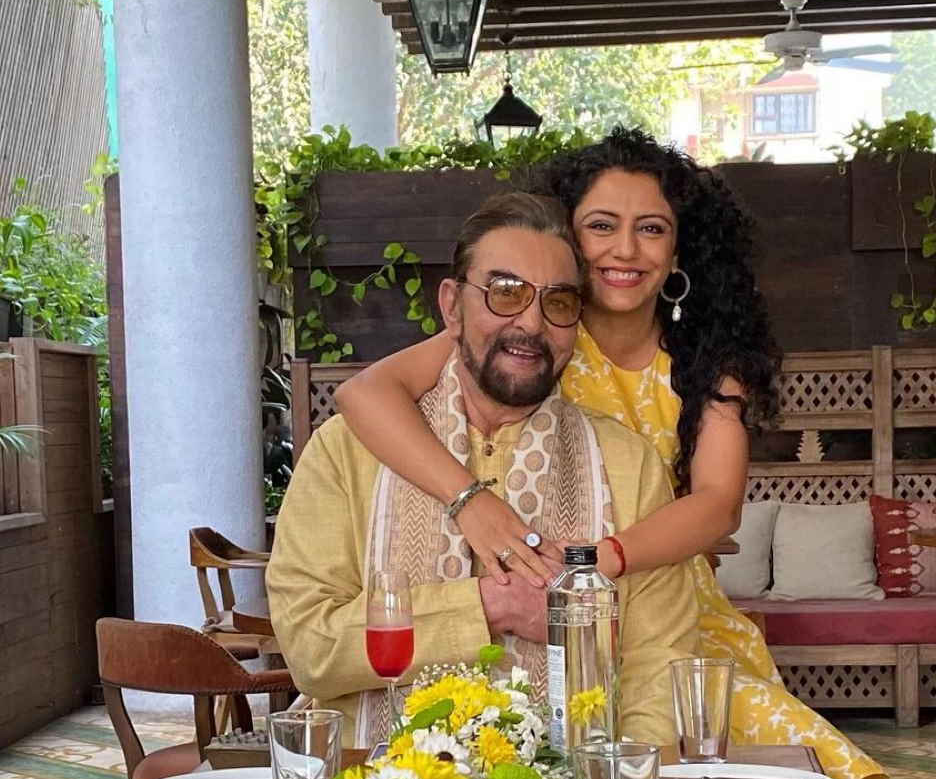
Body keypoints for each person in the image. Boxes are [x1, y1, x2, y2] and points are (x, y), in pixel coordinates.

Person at [335, 129, 885, 779]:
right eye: (601, 226)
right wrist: (470, 501)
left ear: (679, 249)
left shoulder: (706, 361)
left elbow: (717, 504)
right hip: (530, 609)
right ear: (569, 239)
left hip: (667, 613)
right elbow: (363, 393)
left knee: (817, 760)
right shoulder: (535, 338)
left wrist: (591, 564)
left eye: (651, 229)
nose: (626, 249)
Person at [266, 192, 700, 748]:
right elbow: (309, 647)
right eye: (505, 292)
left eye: (558, 302)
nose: (532, 323)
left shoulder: (627, 464)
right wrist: (489, 606)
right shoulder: (347, 451)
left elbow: (659, 672)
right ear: (452, 306)